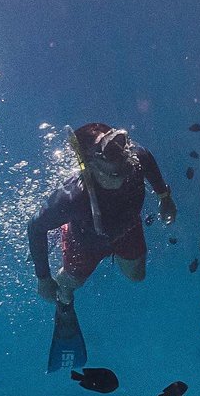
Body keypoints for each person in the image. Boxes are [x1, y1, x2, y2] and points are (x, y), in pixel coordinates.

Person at [28, 122, 176, 305]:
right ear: (88, 165)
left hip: (127, 229)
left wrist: (164, 196)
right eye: (111, 152)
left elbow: (145, 156)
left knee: (136, 275)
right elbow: (35, 227)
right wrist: (43, 278)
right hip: (85, 243)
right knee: (70, 284)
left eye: (122, 144)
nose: (124, 156)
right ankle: (63, 230)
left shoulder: (136, 159)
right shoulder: (72, 199)